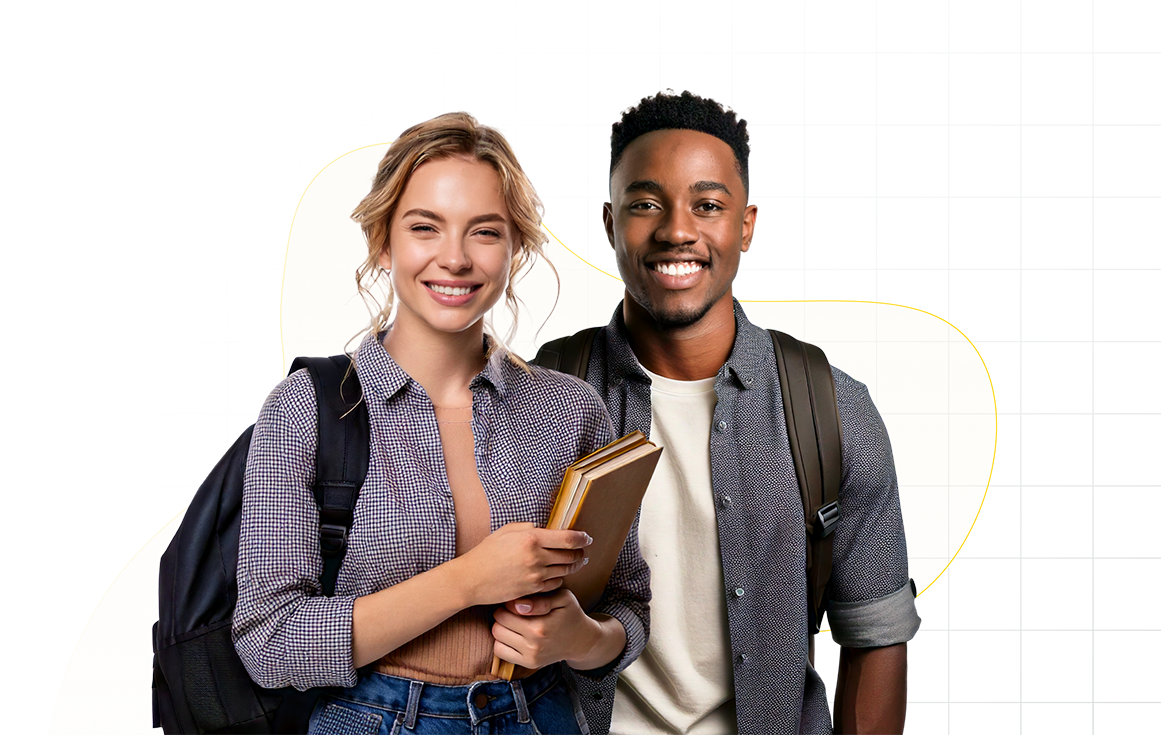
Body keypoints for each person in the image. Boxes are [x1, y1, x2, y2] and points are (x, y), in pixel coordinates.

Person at [512, 89, 920, 735]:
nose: (677, 230)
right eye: (644, 204)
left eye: (707, 205)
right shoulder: (543, 394)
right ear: (605, 229)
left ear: (749, 228)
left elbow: (873, 635)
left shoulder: (831, 409)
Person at [231, 111, 650, 735]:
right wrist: (468, 582)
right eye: (425, 227)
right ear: (384, 242)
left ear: (515, 248)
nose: (454, 258)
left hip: (541, 715)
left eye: (484, 232)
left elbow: (629, 606)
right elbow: (269, 641)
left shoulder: (569, 409)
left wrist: (580, 640)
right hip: (370, 718)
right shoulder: (309, 408)